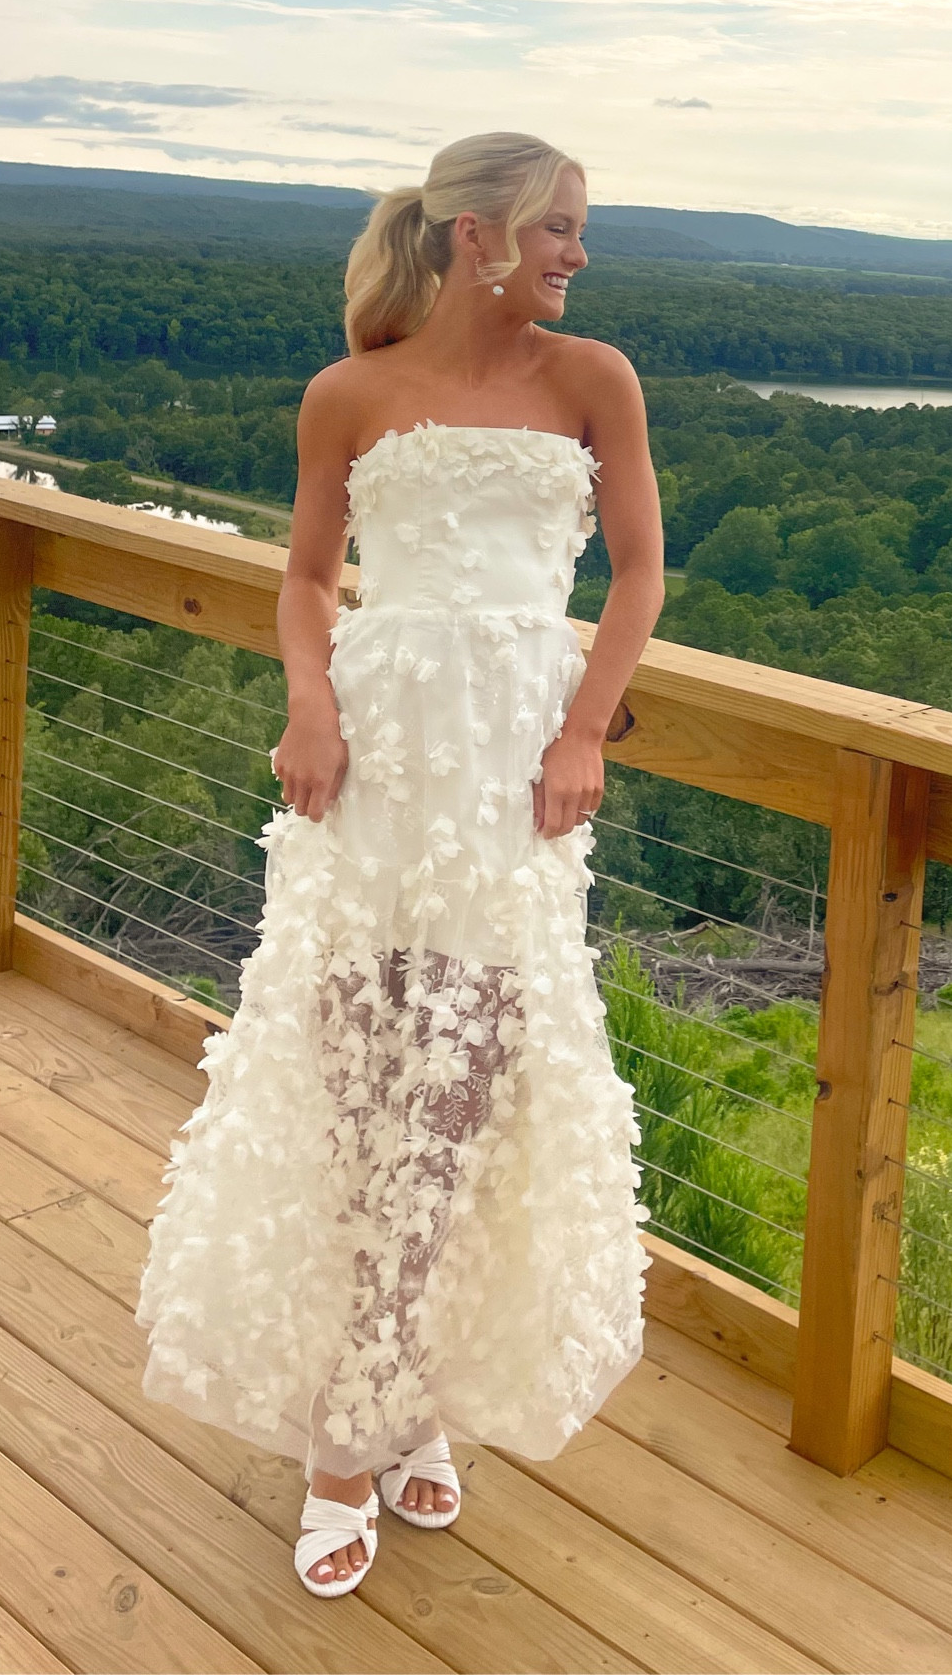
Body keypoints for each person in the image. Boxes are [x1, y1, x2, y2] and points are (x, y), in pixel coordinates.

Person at [135, 132, 663, 1596]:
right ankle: (354, 1430)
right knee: (361, 1076)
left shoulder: (592, 381)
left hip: (512, 771)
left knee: (476, 1086)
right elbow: (306, 578)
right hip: (375, 754)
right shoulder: (350, 394)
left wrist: (583, 732)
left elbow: (637, 574)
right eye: (558, 227)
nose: (576, 255)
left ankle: (402, 1400)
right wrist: (311, 702)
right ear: (476, 233)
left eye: (579, 232)